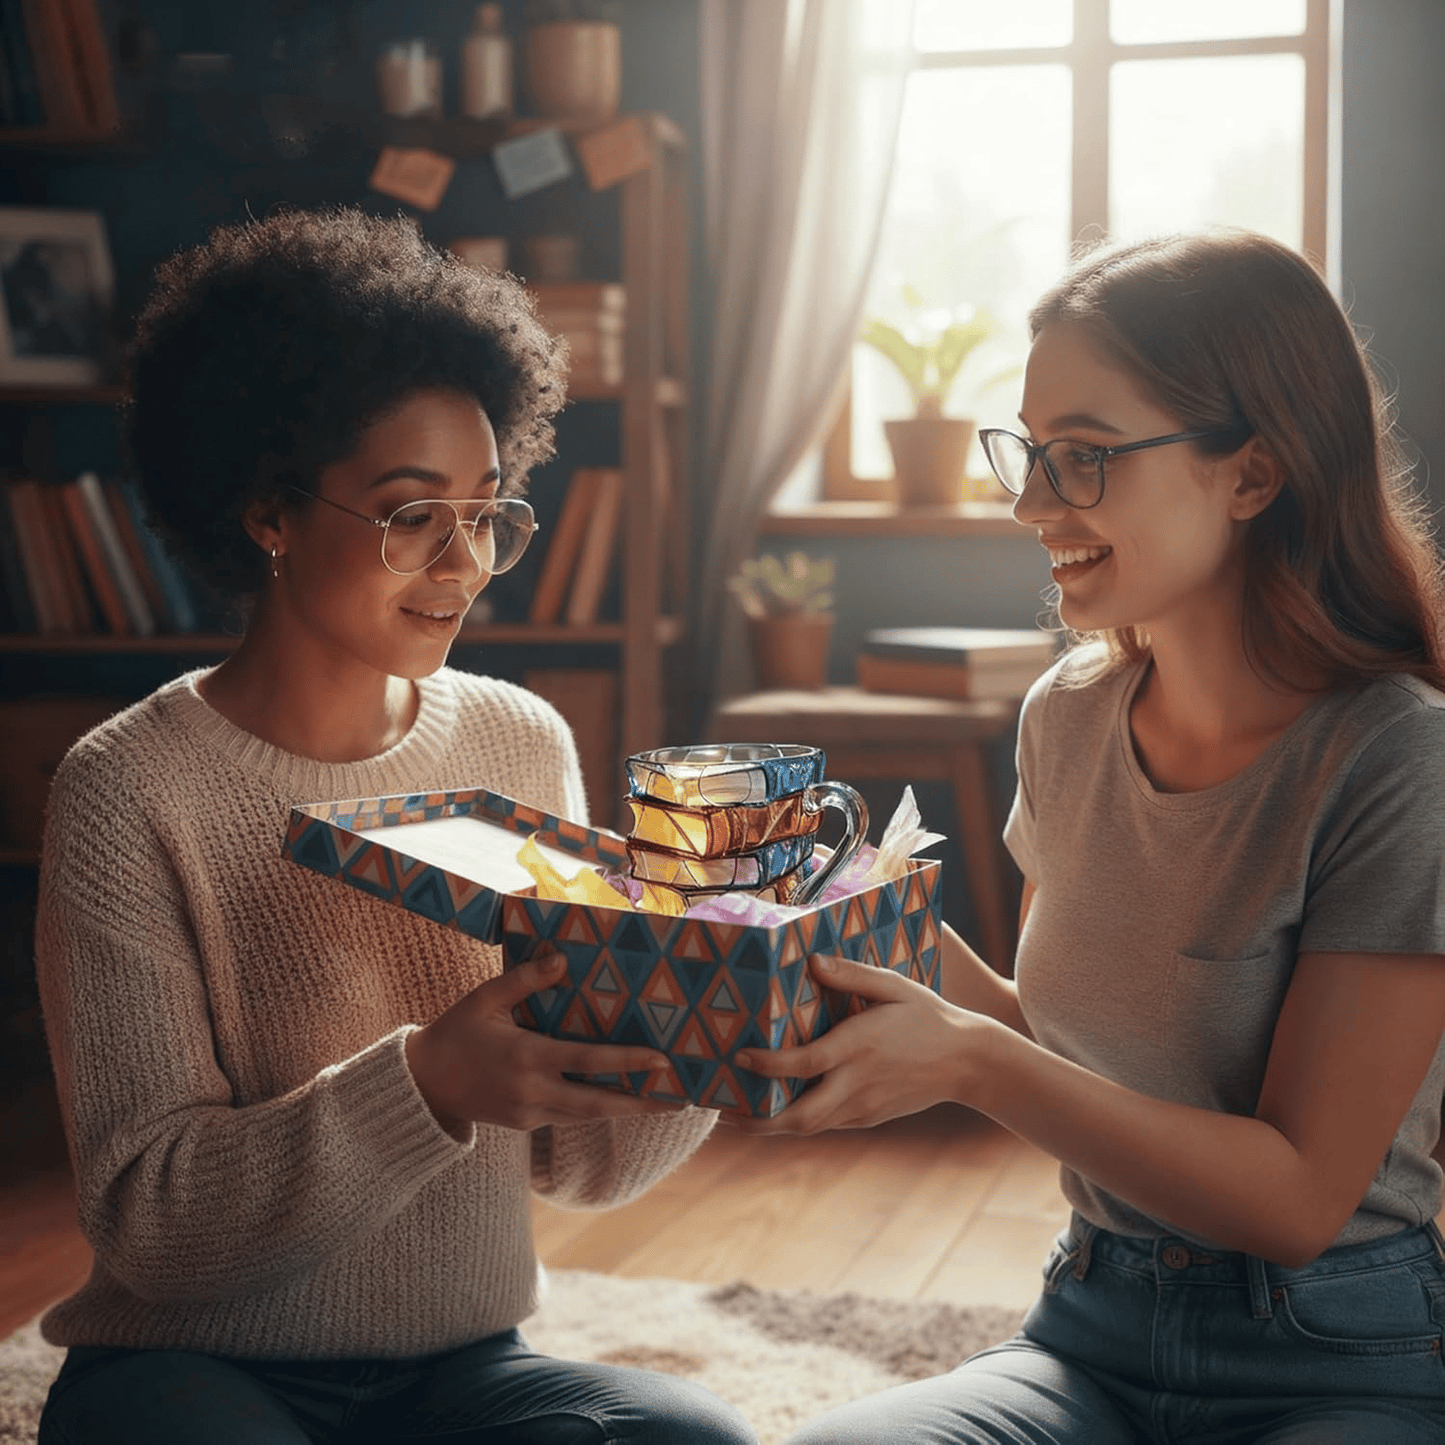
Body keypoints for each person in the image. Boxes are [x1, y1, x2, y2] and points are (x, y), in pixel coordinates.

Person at [34, 206, 756, 1445]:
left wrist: (706, 1016)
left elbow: (579, 1162)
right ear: (269, 510)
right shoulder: (126, 791)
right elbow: (150, 1222)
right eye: (411, 513)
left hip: (464, 1369)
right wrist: (425, 1082)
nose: (464, 561)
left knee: (699, 1439)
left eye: (488, 510)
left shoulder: (519, 739)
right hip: (196, 1366)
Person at [733, 231, 1445, 1442]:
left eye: (1081, 459)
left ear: (1251, 474)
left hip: (1334, 1351)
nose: (1026, 504)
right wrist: (854, 904)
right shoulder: (1063, 717)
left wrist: (964, 1058)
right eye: (1026, 452)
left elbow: (1296, 1197)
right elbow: (1056, 1045)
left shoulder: (1396, 758)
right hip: (1090, 1328)